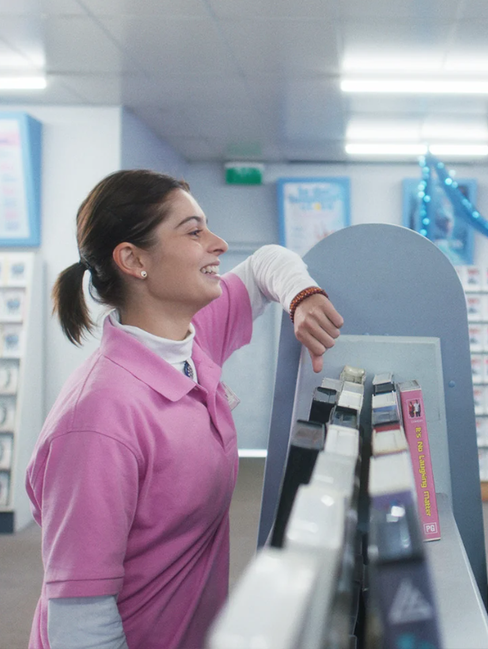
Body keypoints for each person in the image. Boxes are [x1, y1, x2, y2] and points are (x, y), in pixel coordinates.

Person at [26, 169, 344, 649]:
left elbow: (265, 263)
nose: (218, 243)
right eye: (194, 232)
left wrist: (302, 296)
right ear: (133, 259)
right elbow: (79, 618)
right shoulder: (98, 420)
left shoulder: (190, 344)